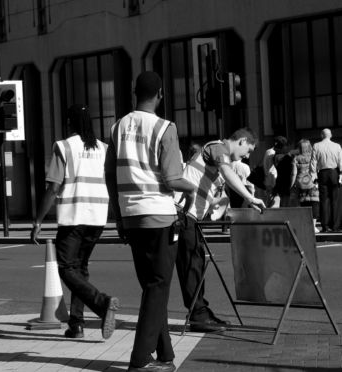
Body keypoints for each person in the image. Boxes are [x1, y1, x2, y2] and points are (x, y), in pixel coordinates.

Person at [105, 71, 196, 372]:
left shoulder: (117, 128)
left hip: (131, 217)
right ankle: (140, 361)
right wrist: (191, 189)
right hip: (159, 216)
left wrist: (118, 218)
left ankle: (166, 356)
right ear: (159, 94)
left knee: (151, 287)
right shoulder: (164, 127)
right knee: (158, 286)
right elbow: (172, 177)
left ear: (134, 93)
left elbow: (110, 177)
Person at [30, 104, 119, 341]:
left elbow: (53, 188)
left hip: (74, 217)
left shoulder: (64, 146)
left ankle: (102, 303)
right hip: (97, 218)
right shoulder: (103, 148)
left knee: (66, 268)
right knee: (80, 269)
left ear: (69, 123)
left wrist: (38, 220)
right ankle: (76, 325)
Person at [177, 128, 266, 333]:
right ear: (242, 141)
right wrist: (250, 198)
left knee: (195, 265)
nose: (248, 156)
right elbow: (227, 171)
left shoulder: (217, 157)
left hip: (190, 217)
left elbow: (206, 186)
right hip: (184, 216)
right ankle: (198, 316)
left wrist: (218, 201)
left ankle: (200, 312)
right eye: (249, 150)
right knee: (191, 267)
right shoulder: (217, 147)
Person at [310, 128, 342, 233]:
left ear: (322, 135)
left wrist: (314, 177)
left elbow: (313, 163)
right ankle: (335, 226)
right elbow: (341, 162)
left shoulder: (316, 146)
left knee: (324, 200)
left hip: (322, 173)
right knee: (335, 200)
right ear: (330, 135)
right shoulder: (337, 146)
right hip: (334, 173)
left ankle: (325, 226)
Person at [291, 139, 319, 232]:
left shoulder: (296, 158)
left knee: (304, 204)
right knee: (314, 203)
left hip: (300, 183)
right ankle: (313, 226)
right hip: (312, 182)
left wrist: (292, 184)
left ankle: (307, 225)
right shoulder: (313, 157)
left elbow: (294, 173)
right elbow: (316, 170)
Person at [263, 136, 288, 207]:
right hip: (273, 178)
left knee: (270, 199)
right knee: (275, 200)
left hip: (268, 178)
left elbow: (265, 165)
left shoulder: (268, 151)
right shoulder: (274, 153)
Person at [272, 140, 295, 207]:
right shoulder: (279, 157)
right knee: (285, 203)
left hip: (281, 180)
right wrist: (290, 154)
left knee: (283, 201)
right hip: (284, 181)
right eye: (286, 146)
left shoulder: (277, 156)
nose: (288, 148)